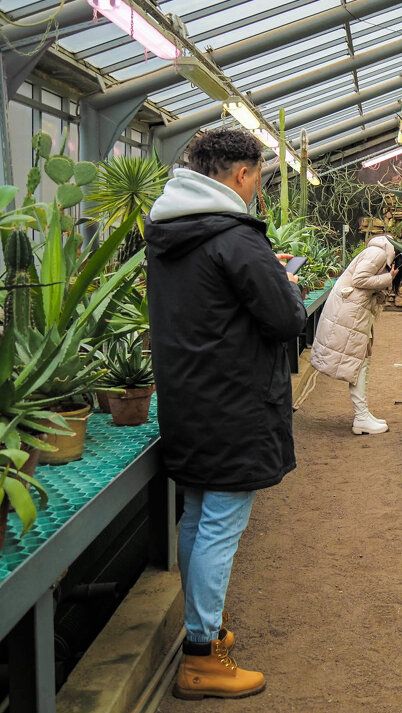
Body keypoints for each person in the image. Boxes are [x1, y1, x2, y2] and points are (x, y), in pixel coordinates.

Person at [144, 129, 307, 700]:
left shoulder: (169, 231)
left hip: (188, 398)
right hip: (235, 401)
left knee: (195, 516)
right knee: (221, 524)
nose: (258, 187)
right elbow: (286, 320)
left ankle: (202, 634)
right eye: (259, 177)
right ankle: (201, 657)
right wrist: (287, 282)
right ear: (242, 174)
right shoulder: (234, 237)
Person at [310, 232, 402, 434]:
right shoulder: (378, 253)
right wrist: (388, 278)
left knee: (363, 358)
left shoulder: (387, 257)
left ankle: (363, 414)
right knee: (359, 360)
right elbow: (360, 279)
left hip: (356, 311)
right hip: (349, 311)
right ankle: (361, 416)